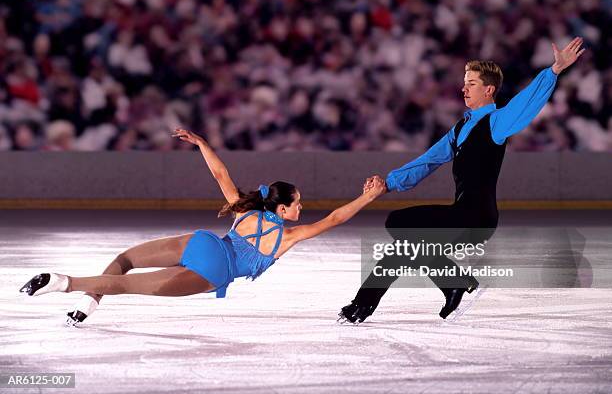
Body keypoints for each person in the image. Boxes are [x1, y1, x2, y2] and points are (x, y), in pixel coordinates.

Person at [20, 128, 387, 325]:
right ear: (282, 207)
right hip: (214, 270)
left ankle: (88, 305)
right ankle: (59, 282)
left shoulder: (245, 210)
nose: (301, 208)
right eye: (298, 203)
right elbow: (335, 218)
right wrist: (368, 198)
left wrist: (201, 144)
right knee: (126, 284)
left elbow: (220, 174)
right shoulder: (289, 235)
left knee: (124, 260)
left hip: (204, 244)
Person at [339, 37, 586, 323]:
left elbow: (524, 105)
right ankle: (376, 301)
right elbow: (429, 160)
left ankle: (449, 281)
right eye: (464, 82)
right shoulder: (461, 128)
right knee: (405, 241)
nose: (463, 88)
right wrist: (389, 183)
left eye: (471, 83)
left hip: (476, 219)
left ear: (489, 89)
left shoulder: (496, 122)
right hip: (461, 215)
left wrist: (553, 71)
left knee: (401, 225)